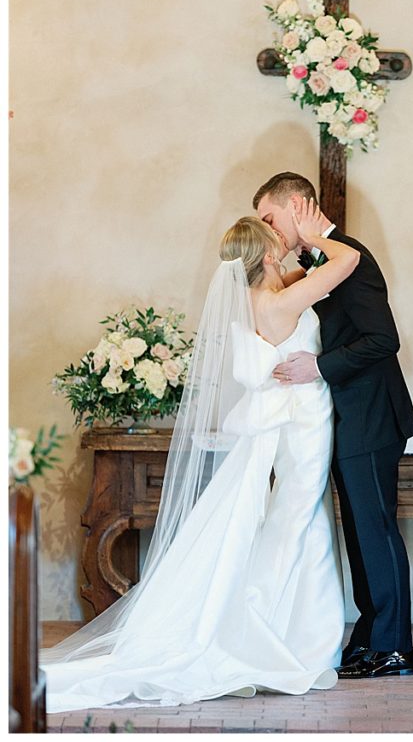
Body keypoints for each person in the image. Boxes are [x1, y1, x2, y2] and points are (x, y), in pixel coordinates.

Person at [41, 204, 362, 712]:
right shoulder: (277, 302)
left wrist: (300, 248)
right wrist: (318, 233)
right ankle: (282, 638)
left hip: (294, 425)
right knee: (302, 524)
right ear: (266, 251)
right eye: (274, 233)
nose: (282, 236)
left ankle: (283, 631)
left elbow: (312, 272)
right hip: (303, 429)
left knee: (295, 522)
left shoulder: (270, 293)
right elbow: (347, 263)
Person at [254, 172, 413, 679]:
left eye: (269, 218)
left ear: (297, 206)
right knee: (361, 538)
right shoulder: (318, 262)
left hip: (371, 416)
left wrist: (318, 368)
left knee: (377, 532)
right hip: (347, 420)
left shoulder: (350, 255)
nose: (267, 229)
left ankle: (395, 647)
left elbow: (382, 340)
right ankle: (370, 637)